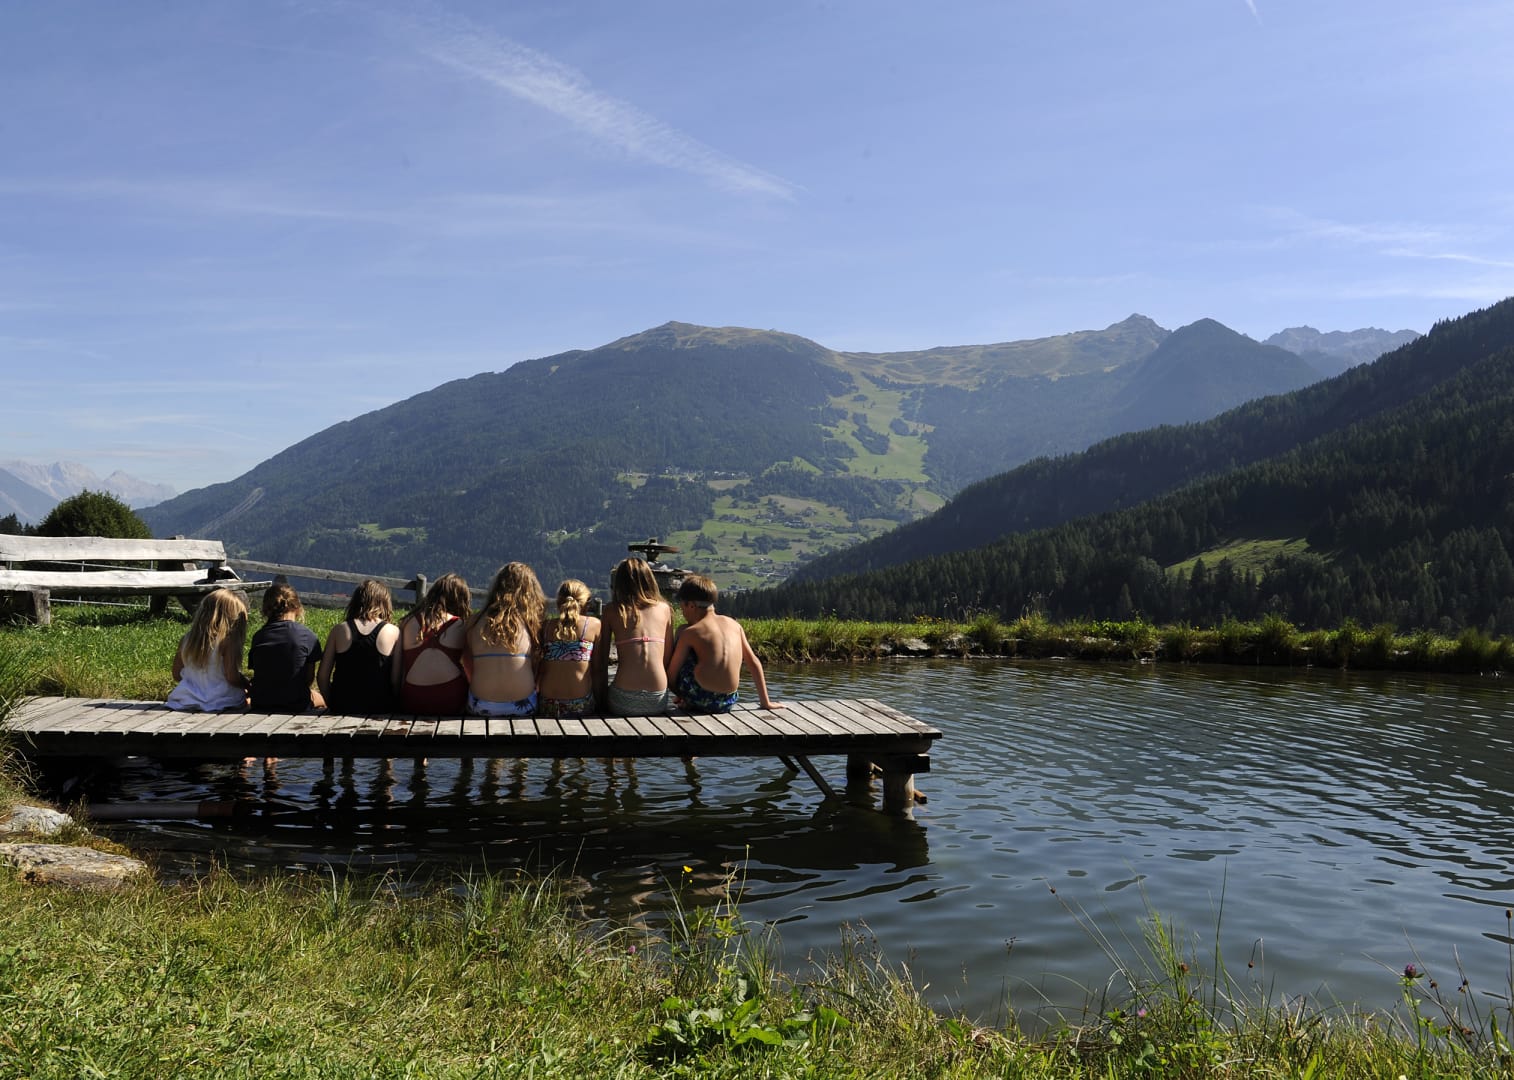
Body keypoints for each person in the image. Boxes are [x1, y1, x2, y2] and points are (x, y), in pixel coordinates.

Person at [666, 574, 782, 713]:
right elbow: (754, 663)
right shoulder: (734, 625)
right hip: (728, 701)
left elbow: (671, 676)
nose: (683, 613)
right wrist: (765, 702)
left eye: (682, 607)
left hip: (700, 699)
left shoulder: (690, 632)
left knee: (681, 632)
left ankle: (686, 700)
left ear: (691, 605)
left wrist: (681, 696)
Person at [463, 562, 543, 717]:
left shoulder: (474, 621)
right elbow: (538, 666)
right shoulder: (532, 623)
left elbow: (468, 664)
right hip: (524, 705)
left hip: (480, 704)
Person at [594, 558, 673, 715]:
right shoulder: (665, 609)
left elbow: (601, 664)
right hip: (657, 700)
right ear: (650, 580)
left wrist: (600, 701)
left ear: (620, 583)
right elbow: (667, 659)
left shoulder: (612, 610)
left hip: (623, 699)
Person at [318, 579, 399, 714]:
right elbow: (396, 680)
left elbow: (322, 676)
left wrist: (332, 702)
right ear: (385, 603)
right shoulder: (393, 632)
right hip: (380, 706)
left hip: (343, 705)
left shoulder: (339, 630)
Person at [394, 573, 471, 715]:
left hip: (413, 699)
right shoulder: (460, 625)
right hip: (451, 700)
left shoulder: (407, 622)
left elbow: (399, 670)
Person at [166, 588, 250, 712]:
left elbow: (176, 674)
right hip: (222, 699)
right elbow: (231, 677)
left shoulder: (187, 640)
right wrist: (246, 684)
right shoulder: (226, 641)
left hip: (186, 698)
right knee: (247, 700)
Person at [248, 582, 326, 711]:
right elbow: (309, 678)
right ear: (297, 607)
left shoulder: (259, 636)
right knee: (321, 699)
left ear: (266, 610)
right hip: (296, 703)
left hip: (262, 702)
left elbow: (259, 673)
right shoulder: (308, 636)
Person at [537, 579, 601, 718]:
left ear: (559, 603)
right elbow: (597, 670)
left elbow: (539, 668)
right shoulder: (594, 625)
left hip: (548, 705)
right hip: (580, 705)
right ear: (586, 604)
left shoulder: (546, 627)